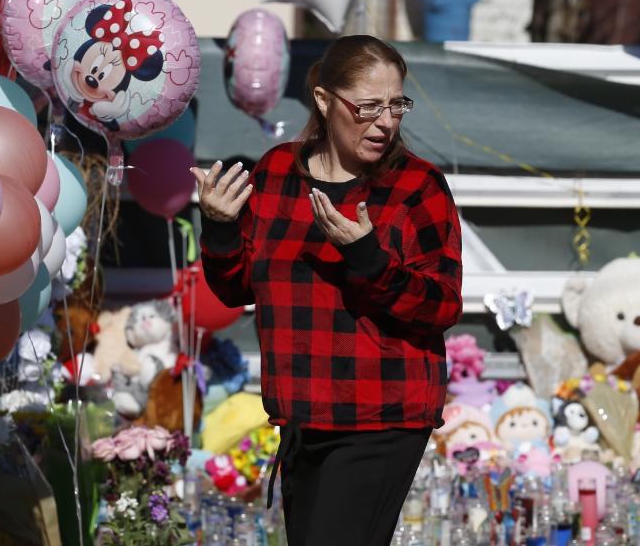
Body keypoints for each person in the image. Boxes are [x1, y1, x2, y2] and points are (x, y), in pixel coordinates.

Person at [191, 35, 463, 545]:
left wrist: (369, 258)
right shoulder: (277, 173)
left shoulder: (415, 187)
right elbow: (235, 288)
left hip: (381, 413)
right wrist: (221, 227)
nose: (386, 121)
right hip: (302, 411)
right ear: (323, 99)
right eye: (368, 106)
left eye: (396, 105)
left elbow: (443, 304)